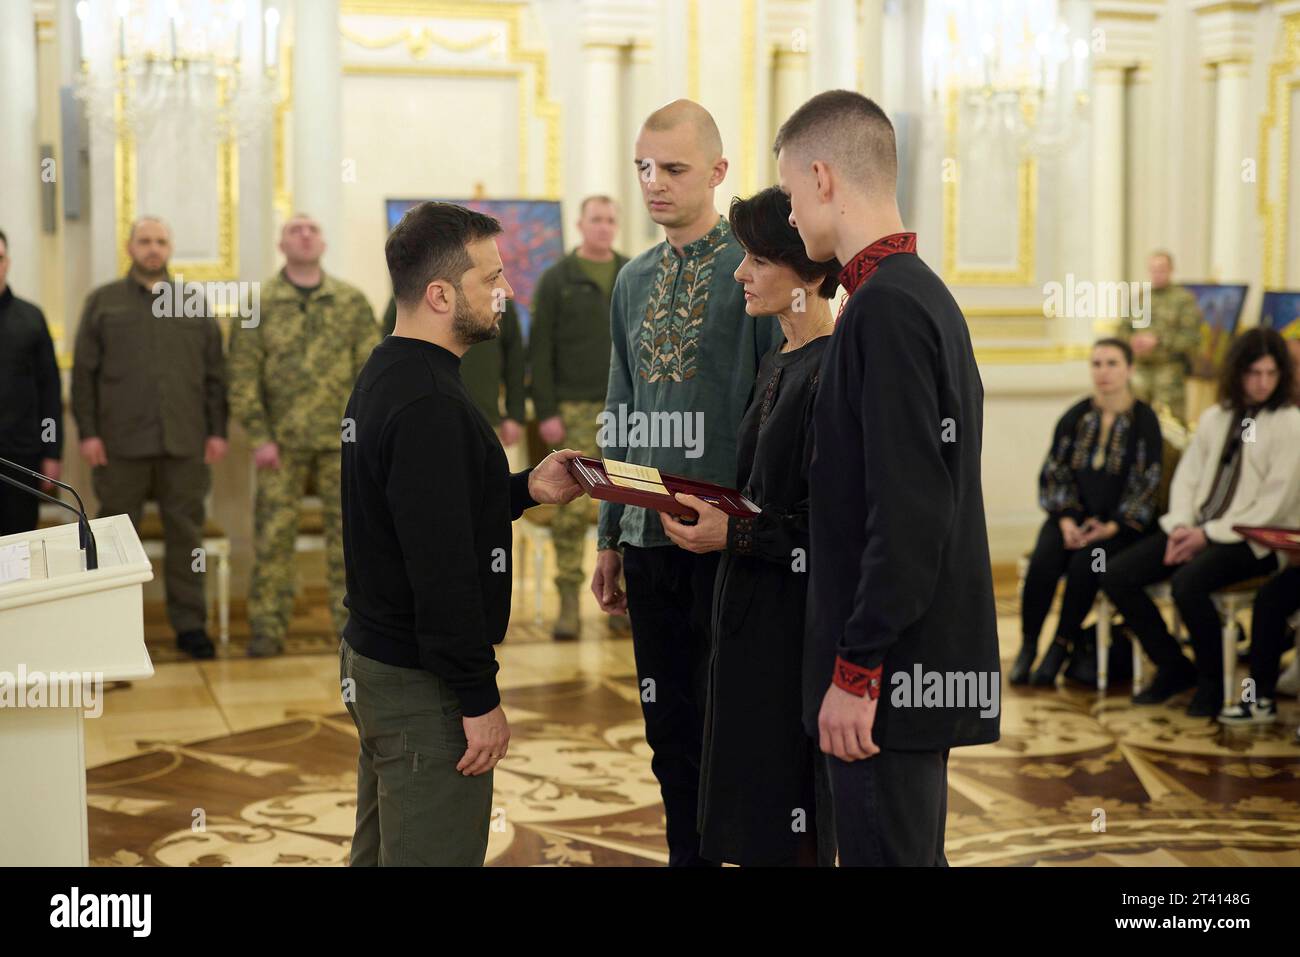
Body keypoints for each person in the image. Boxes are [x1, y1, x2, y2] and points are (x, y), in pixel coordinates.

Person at [777, 89, 1000, 866]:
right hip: (903, 672)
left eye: (791, 195)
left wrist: (857, 669)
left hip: (891, 677)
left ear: (822, 176)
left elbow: (908, 510)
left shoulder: (887, 310)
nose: (793, 216)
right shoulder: (911, 293)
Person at [340, 202, 582, 866]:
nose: (505, 292)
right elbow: (440, 567)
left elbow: (427, 509)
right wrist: (479, 699)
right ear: (441, 293)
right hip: (425, 684)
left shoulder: (395, 369)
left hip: (380, 658)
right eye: (492, 278)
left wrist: (524, 487)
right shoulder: (430, 405)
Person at [589, 100, 783, 867]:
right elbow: (622, 406)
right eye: (643, 167)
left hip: (728, 538)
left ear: (718, 171)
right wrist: (610, 534)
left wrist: (756, 530)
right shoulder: (632, 280)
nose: (654, 183)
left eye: (672, 168)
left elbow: (776, 403)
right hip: (647, 538)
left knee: (733, 726)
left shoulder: (754, 272)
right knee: (667, 728)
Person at [661, 187, 838, 866]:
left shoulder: (831, 367)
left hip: (793, 629)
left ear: (810, 273)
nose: (740, 273)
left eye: (758, 260)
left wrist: (730, 534)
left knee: (788, 817)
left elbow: (827, 529)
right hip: (749, 617)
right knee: (751, 813)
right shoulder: (777, 361)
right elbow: (762, 495)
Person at [1101, 327, 1300, 717]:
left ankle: (1211, 680)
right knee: (1116, 574)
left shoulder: (1290, 422)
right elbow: (1189, 478)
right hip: (1196, 528)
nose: (1261, 383)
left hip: (1255, 540)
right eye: (1253, 373)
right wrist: (1180, 526)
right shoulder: (1216, 417)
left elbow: (1274, 504)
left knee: (1188, 585)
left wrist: (1206, 536)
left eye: (1270, 374)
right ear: (1236, 372)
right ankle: (1175, 666)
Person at [71, 217, 227, 659]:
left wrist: (217, 430)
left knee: (186, 537)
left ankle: (190, 627)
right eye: (145, 241)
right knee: (116, 539)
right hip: (120, 445)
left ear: (170, 247)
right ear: (130, 246)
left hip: (185, 443)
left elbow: (216, 374)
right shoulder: (103, 303)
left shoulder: (193, 304)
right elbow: (84, 375)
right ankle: (112, 631)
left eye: (160, 241)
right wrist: (88, 433)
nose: (153, 249)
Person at [227, 213, 380, 657]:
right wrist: (260, 437)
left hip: (342, 444)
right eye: (296, 229)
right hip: (281, 444)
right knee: (273, 538)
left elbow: (370, 373)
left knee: (350, 540)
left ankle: (353, 629)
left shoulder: (350, 301)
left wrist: (363, 435)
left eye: (313, 228)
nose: (306, 235)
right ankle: (267, 628)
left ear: (324, 242)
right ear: (282, 244)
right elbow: (242, 376)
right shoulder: (260, 305)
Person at [1013, 338, 1163, 686]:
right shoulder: (1076, 415)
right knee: (1044, 559)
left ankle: (1059, 647)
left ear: (1129, 369)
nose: (1103, 372)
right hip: (1070, 517)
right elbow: (1055, 470)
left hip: (1119, 527)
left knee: (1088, 563)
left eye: (1112, 363)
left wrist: (1109, 527)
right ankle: (1029, 644)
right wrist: (1066, 519)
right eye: (1096, 364)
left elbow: (1147, 482)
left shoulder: (1145, 420)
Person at [530, 196, 630, 639]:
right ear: (580, 224)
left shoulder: (632, 273)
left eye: (611, 220)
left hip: (626, 407)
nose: (604, 227)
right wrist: (546, 410)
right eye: (596, 220)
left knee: (628, 498)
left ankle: (622, 597)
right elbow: (540, 351)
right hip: (572, 406)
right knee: (571, 507)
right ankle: (568, 598)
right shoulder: (557, 280)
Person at [382, 294, 526, 448]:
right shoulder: (413, 288)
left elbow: (514, 358)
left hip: (484, 420)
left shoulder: (496, 296)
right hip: (425, 423)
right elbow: (390, 361)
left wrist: (515, 413)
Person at [0, 228, 63, 534]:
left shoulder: (31, 318)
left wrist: (52, 452)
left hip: (21, 457)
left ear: (7, 262)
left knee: (19, 545)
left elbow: (50, 390)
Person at [1115, 250, 1202, 424]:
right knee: (1134, 421)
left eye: (1161, 269)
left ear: (1171, 270)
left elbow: (1192, 338)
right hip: (1140, 371)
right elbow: (1123, 329)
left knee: (1170, 427)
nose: (1157, 274)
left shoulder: (1184, 299)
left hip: (1169, 372)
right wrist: (1132, 340)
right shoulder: (1140, 298)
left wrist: (1159, 340)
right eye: (1153, 269)